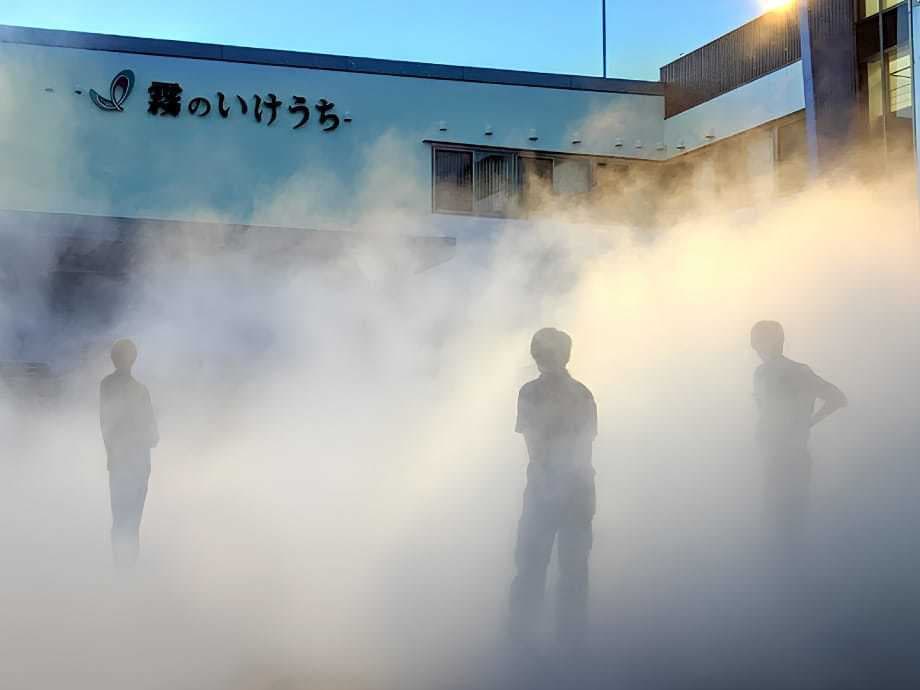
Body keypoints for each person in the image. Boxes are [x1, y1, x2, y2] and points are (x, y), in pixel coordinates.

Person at [509, 328, 597, 649]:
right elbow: (585, 447)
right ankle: (570, 644)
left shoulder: (531, 393)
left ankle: (522, 641)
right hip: (578, 490)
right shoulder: (583, 393)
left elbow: (535, 448)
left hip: (547, 490)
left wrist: (551, 481)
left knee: (532, 566)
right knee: (572, 571)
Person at [750, 321, 846, 561]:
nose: (756, 348)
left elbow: (837, 398)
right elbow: (767, 412)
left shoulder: (795, 372)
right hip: (775, 458)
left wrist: (808, 423)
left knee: (787, 523)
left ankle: (792, 569)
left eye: (759, 341)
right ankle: (786, 568)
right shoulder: (762, 373)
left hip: (791, 458)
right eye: (755, 342)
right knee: (778, 523)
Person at [100, 339, 159, 568]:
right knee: (132, 522)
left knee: (120, 520)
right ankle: (128, 570)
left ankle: (120, 568)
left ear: (113, 359)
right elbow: (153, 436)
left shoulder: (106, 385)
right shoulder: (140, 390)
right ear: (133, 359)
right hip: (137, 463)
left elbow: (106, 424)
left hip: (119, 462)